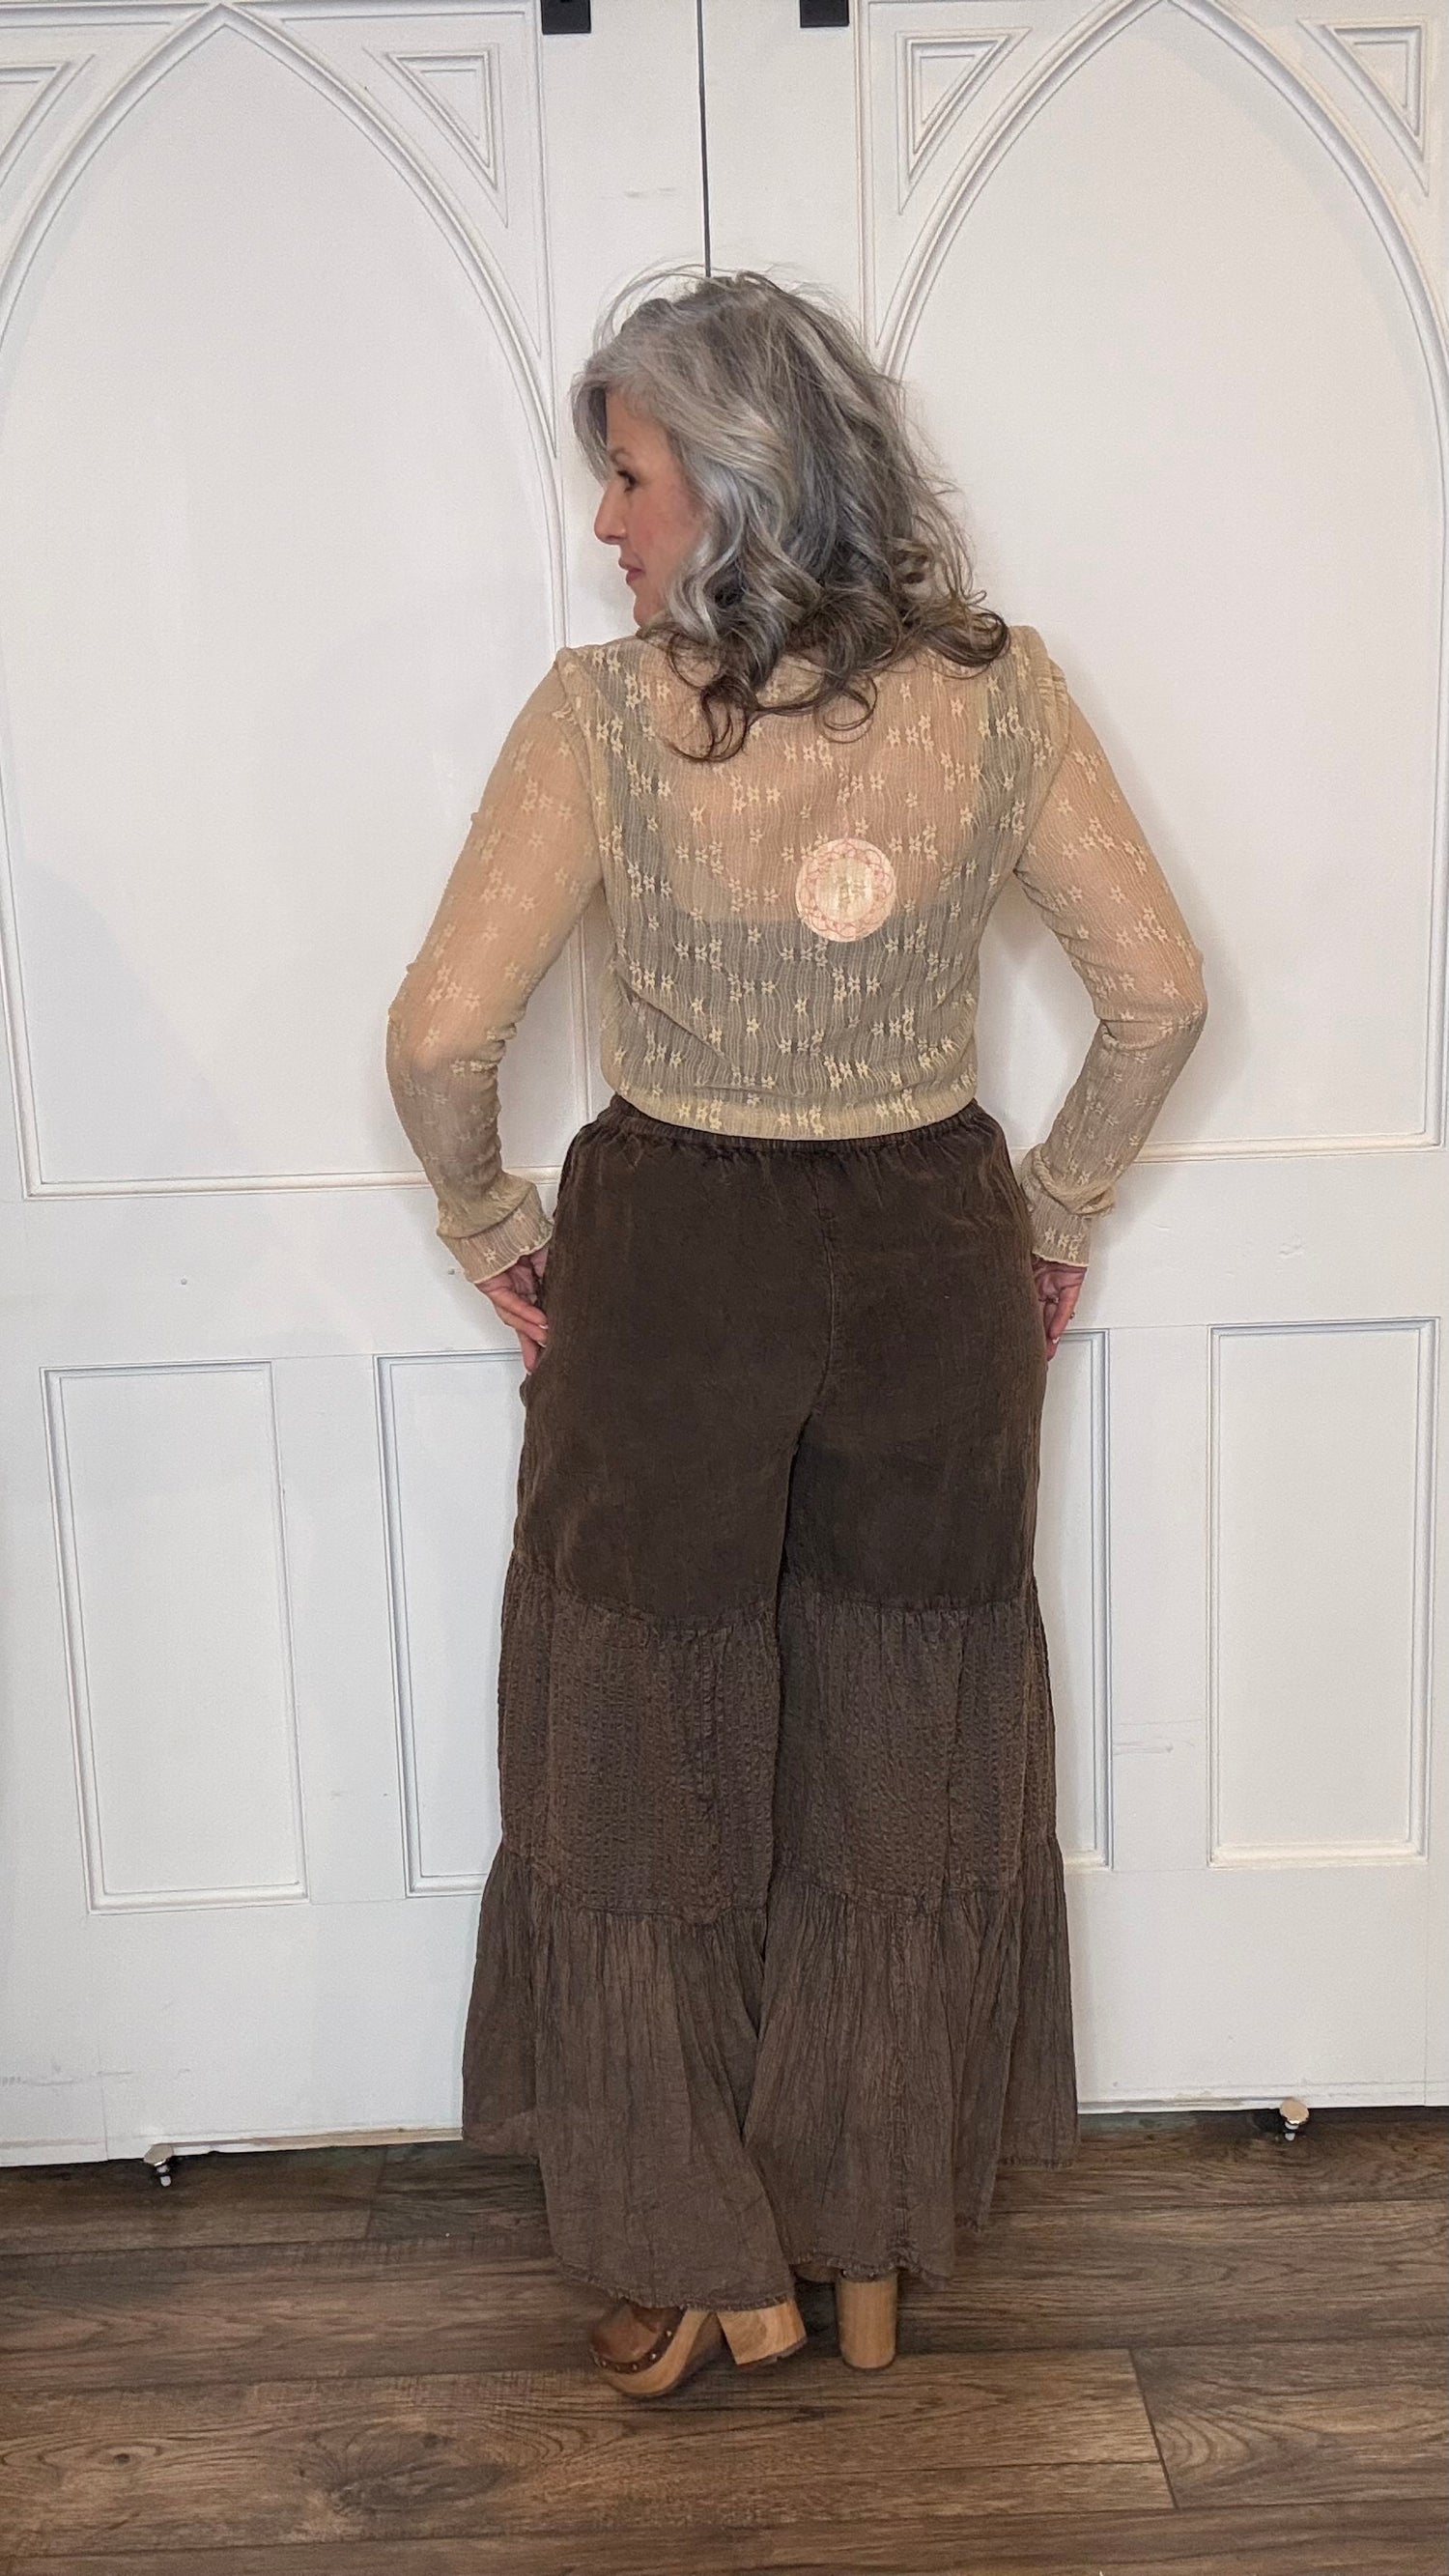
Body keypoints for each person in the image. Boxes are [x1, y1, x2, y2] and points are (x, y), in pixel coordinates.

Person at [384, 269, 1208, 2400]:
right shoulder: (998, 695)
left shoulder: (601, 719)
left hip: (672, 1267)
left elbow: (439, 1033)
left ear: (736, 481)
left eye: (630, 478)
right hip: (927, 1256)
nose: (607, 528)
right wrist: (1052, 1217)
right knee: (899, 1748)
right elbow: (1161, 996)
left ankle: (691, 2253)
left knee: (641, 1755)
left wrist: (487, 1215)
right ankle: (864, 2245)